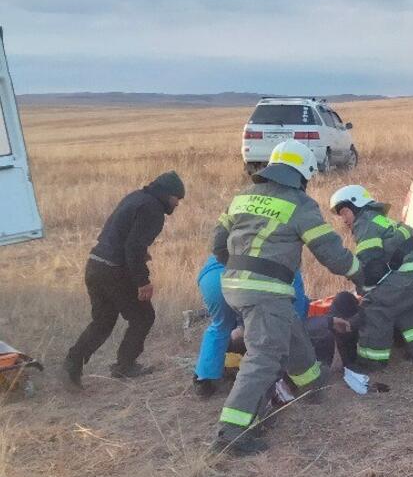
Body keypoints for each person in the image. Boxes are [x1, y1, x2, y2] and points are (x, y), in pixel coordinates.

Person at [211, 140, 361, 455]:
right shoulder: (299, 203)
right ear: (302, 173)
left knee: (288, 326)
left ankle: (312, 386)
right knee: (263, 357)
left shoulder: (241, 198)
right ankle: (231, 433)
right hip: (266, 290)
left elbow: (218, 243)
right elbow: (330, 252)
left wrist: (242, 272)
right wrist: (358, 271)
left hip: (234, 284)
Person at [60, 171, 185, 391]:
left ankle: (72, 363)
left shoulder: (136, 197)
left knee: (102, 322)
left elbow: (119, 235)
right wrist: (142, 281)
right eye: (178, 198)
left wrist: (138, 253)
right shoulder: (153, 210)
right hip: (114, 271)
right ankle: (125, 365)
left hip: (95, 264)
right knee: (144, 316)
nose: (177, 203)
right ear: (167, 195)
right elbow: (133, 247)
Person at [329, 184, 413, 372]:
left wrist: (364, 291)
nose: (343, 219)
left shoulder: (364, 223)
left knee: (375, 306)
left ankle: (371, 361)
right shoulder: (380, 220)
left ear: (356, 205)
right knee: (400, 305)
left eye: (344, 212)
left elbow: (370, 266)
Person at [192, 254, 308, 398]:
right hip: (240, 280)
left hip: (211, 278)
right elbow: (295, 312)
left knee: (220, 326)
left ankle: (203, 381)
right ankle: (282, 377)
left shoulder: (241, 234)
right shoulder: (287, 257)